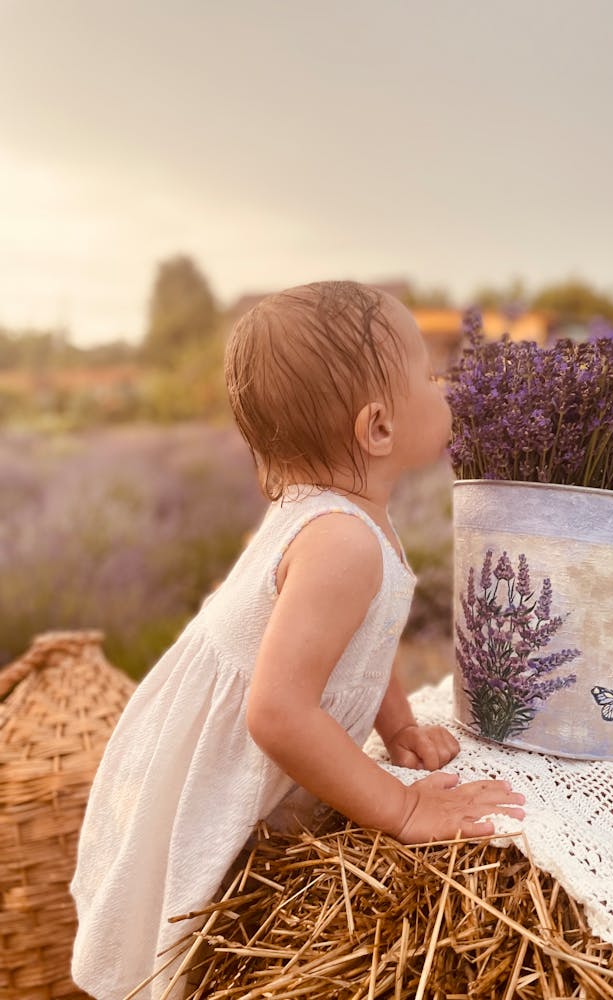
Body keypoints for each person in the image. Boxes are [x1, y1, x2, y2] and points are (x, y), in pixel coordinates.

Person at [70, 280, 525, 999]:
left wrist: (397, 723)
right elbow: (276, 712)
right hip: (228, 770)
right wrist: (400, 807)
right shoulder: (341, 541)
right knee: (192, 942)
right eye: (428, 376)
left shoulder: (336, 517)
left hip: (234, 746)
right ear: (377, 428)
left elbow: (357, 644)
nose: (447, 386)